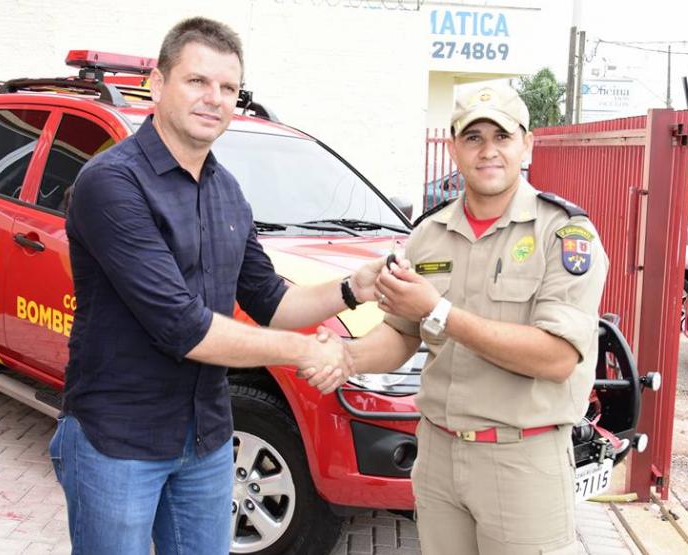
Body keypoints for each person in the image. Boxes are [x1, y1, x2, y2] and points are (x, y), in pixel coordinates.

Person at [50, 17, 383, 555]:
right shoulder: (111, 184)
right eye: (198, 81)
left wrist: (352, 287)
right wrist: (305, 352)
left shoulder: (227, 190)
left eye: (229, 88)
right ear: (157, 85)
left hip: (205, 440)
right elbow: (181, 327)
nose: (215, 99)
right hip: (118, 442)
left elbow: (271, 301)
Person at [317, 85, 609, 555]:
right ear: (454, 147)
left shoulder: (563, 233)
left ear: (526, 144)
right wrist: (346, 357)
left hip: (522, 459)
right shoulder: (427, 236)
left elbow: (557, 357)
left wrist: (440, 312)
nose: (488, 150)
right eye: (473, 138)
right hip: (438, 455)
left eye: (502, 136)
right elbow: (401, 334)